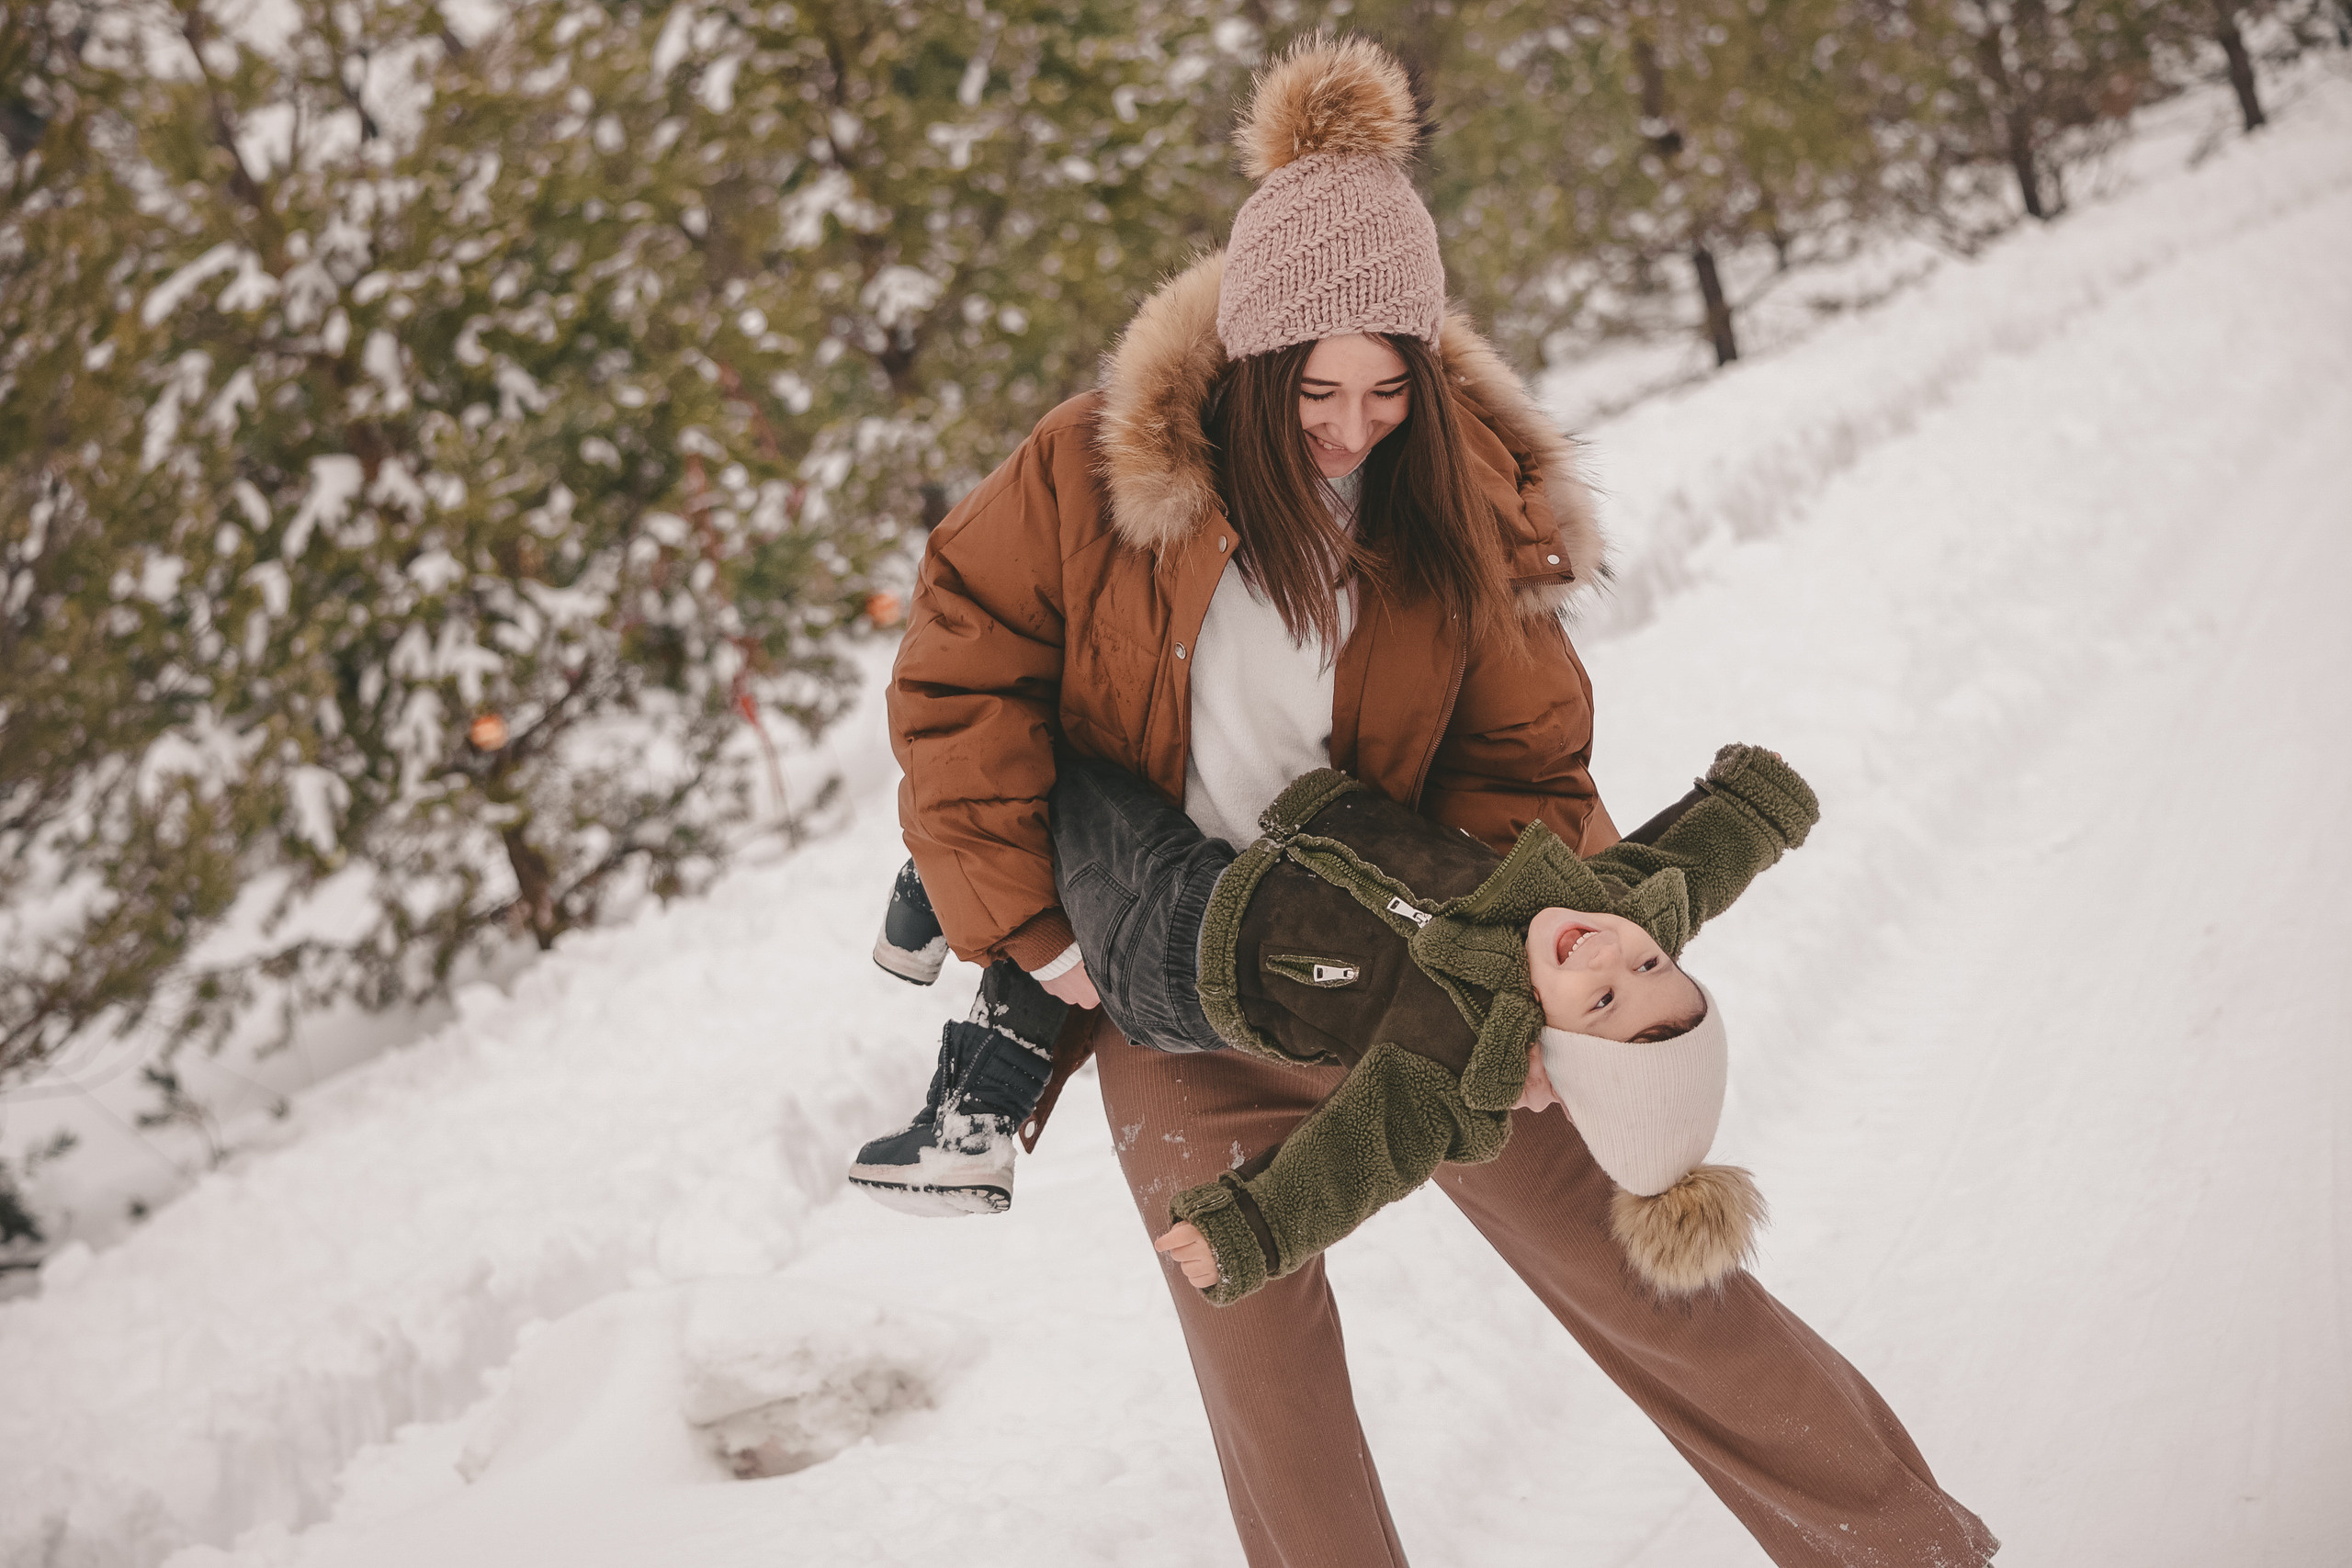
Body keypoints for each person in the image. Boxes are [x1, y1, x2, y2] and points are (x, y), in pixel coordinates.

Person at [876, 33, 1997, 1566]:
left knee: (1652, 1279)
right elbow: (955, 682)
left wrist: (1549, 985)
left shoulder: (1453, 511)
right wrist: (1034, 932)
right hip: (1189, 997)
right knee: (1263, 1374)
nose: (1350, 430)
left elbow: (1523, 771)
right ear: (1250, 365)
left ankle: (1908, 1548)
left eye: (1386, 388)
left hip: (1431, 973)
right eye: (1315, 392)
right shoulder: (1089, 476)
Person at [854, 740, 1809, 1311]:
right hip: (1225, 879)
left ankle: (933, 886)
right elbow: (1689, 872)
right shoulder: (1600, 917)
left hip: (1175, 961)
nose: (1611, 957)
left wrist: (1251, 1236)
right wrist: (1757, 810)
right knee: (1072, 823)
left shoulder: (1449, 1071)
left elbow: (1356, 1163)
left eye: (1604, 1000)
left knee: (1061, 784)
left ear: (1554, 1055)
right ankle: (970, 1017)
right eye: (1651, 964)